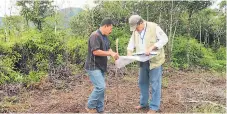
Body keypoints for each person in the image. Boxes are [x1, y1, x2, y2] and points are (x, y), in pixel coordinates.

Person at [127, 15, 168, 113]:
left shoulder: (154, 27)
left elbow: (164, 39)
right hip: (142, 60)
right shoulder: (135, 32)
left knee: (155, 84)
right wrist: (129, 52)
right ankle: (143, 103)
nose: (136, 30)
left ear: (141, 23)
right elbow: (131, 44)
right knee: (142, 82)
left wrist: (153, 47)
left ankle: (154, 107)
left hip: (155, 60)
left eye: (137, 27)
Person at [85, 18, 119, 113]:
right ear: (105, 26)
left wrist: (114, 54)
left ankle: (100, 110)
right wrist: (110, 54)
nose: (111, 31)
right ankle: (90, 106)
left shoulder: (105, 37)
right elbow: (95, 51)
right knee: (101, 87)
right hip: (93, 66)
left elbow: (108, 49)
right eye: (110, 28)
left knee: (101, 90)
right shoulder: (95, 36)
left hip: (101, 66)